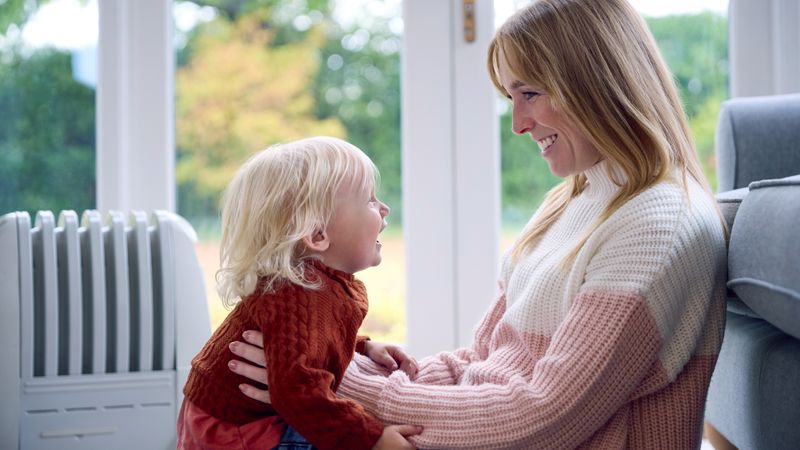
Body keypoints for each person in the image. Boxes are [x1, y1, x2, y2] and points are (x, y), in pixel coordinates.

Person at [227, 0, 728, 448]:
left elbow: (543, 417)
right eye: (512, 98)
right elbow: (483, 360)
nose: (518, 123)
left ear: (593, 83)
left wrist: (343, 385)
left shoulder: (658, 225)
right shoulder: (574, 200)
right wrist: (345, 368)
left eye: (529, 93)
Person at [177, 136, 421, 450]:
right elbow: (298, 392)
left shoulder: (312, 285)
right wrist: (373, 439)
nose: (384, 208)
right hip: (237, 431)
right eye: (370, 200)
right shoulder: (296, 293)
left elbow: (314, 338)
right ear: (318, 234)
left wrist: (362, 347)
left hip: (226, 419)